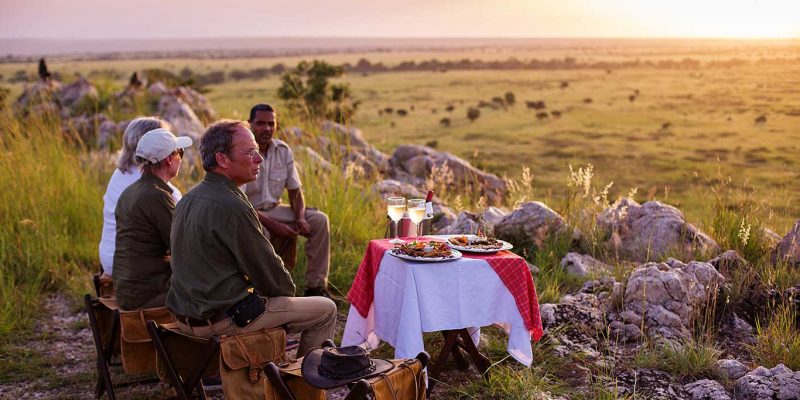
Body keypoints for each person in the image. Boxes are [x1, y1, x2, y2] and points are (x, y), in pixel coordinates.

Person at [166, 120, 336, 357]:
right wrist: (288, 294)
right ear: (223, 160)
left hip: (187, 316)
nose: (259, 159)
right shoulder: (232, 204)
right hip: (222, 320)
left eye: (257, 151)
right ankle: (303, 385)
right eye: (250, 152)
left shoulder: (188, 198)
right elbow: (272, 278)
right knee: (325, 309)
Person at [242, 104, 332, 297]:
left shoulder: (283, 150)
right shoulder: (243, 152)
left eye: (271, 123)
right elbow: (239, 200)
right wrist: (274, 225)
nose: (266, 128)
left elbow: (295, 191)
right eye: (260, 123)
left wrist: (300, 217)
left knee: (319, 220)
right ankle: (265, 292)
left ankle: (316, 287)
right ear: (250, 124)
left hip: (275, 209)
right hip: (249, 212)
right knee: (263, 231)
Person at [112, 128, 192, 310]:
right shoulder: (156, 195)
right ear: (169, 159)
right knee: (218, 293)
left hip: (129, 290)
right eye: (180, 152)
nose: (181, 158)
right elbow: (183, 248)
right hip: (149, 293)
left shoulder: (130, 191)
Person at [99, 117, 181, 278]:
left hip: (110, 258)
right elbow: (179, 233)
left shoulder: (120, 174)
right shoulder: (152, 186)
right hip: (132, 269)